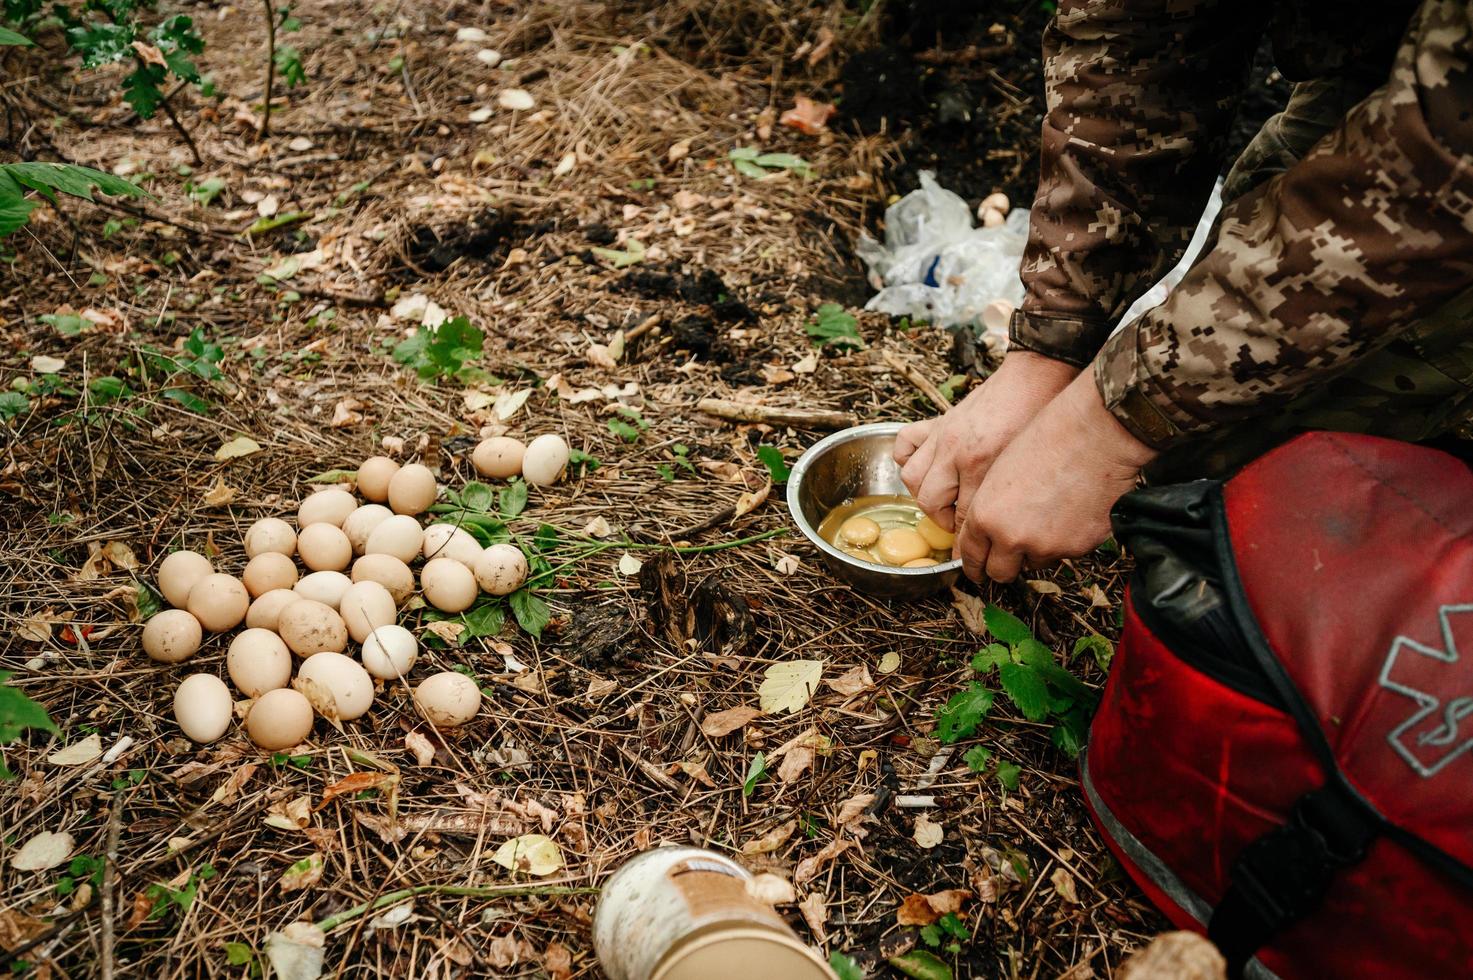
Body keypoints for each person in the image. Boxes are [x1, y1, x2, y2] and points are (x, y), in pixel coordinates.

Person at [894, 0, 1473, 583]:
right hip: (1383, 61)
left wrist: (1105, 427)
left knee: (1287, 463)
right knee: (1212, 437)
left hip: (1448, 137)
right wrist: (1050, 343)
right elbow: (1137, 39)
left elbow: (1436, 174)